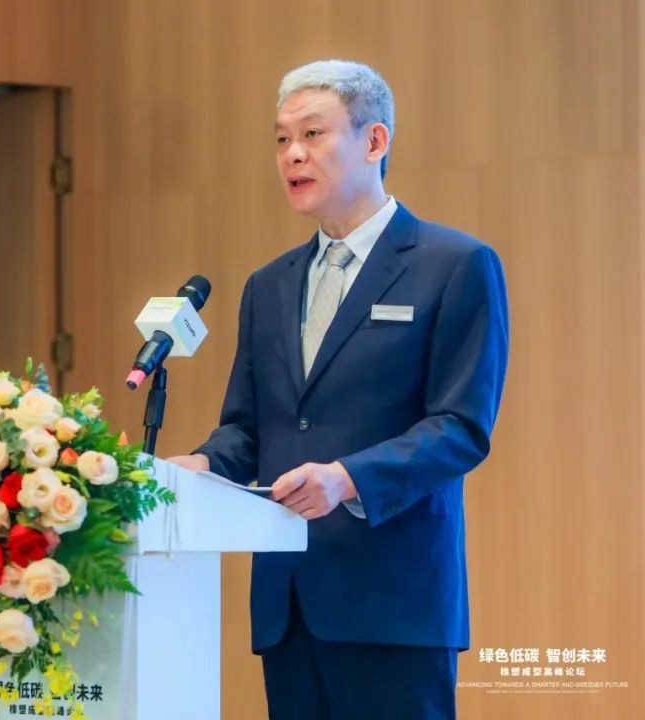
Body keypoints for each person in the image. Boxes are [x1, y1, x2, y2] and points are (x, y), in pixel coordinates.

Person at [168, 60, 509, 720]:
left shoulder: (453, 265)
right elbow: (249, 428)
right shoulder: (269, 285)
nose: (292, 154)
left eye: (313, 134)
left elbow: (461, 427)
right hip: (290, 601)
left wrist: (347, 479)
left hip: (395, 600)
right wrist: (202, 466)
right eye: (281, 139)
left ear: (374, 141)